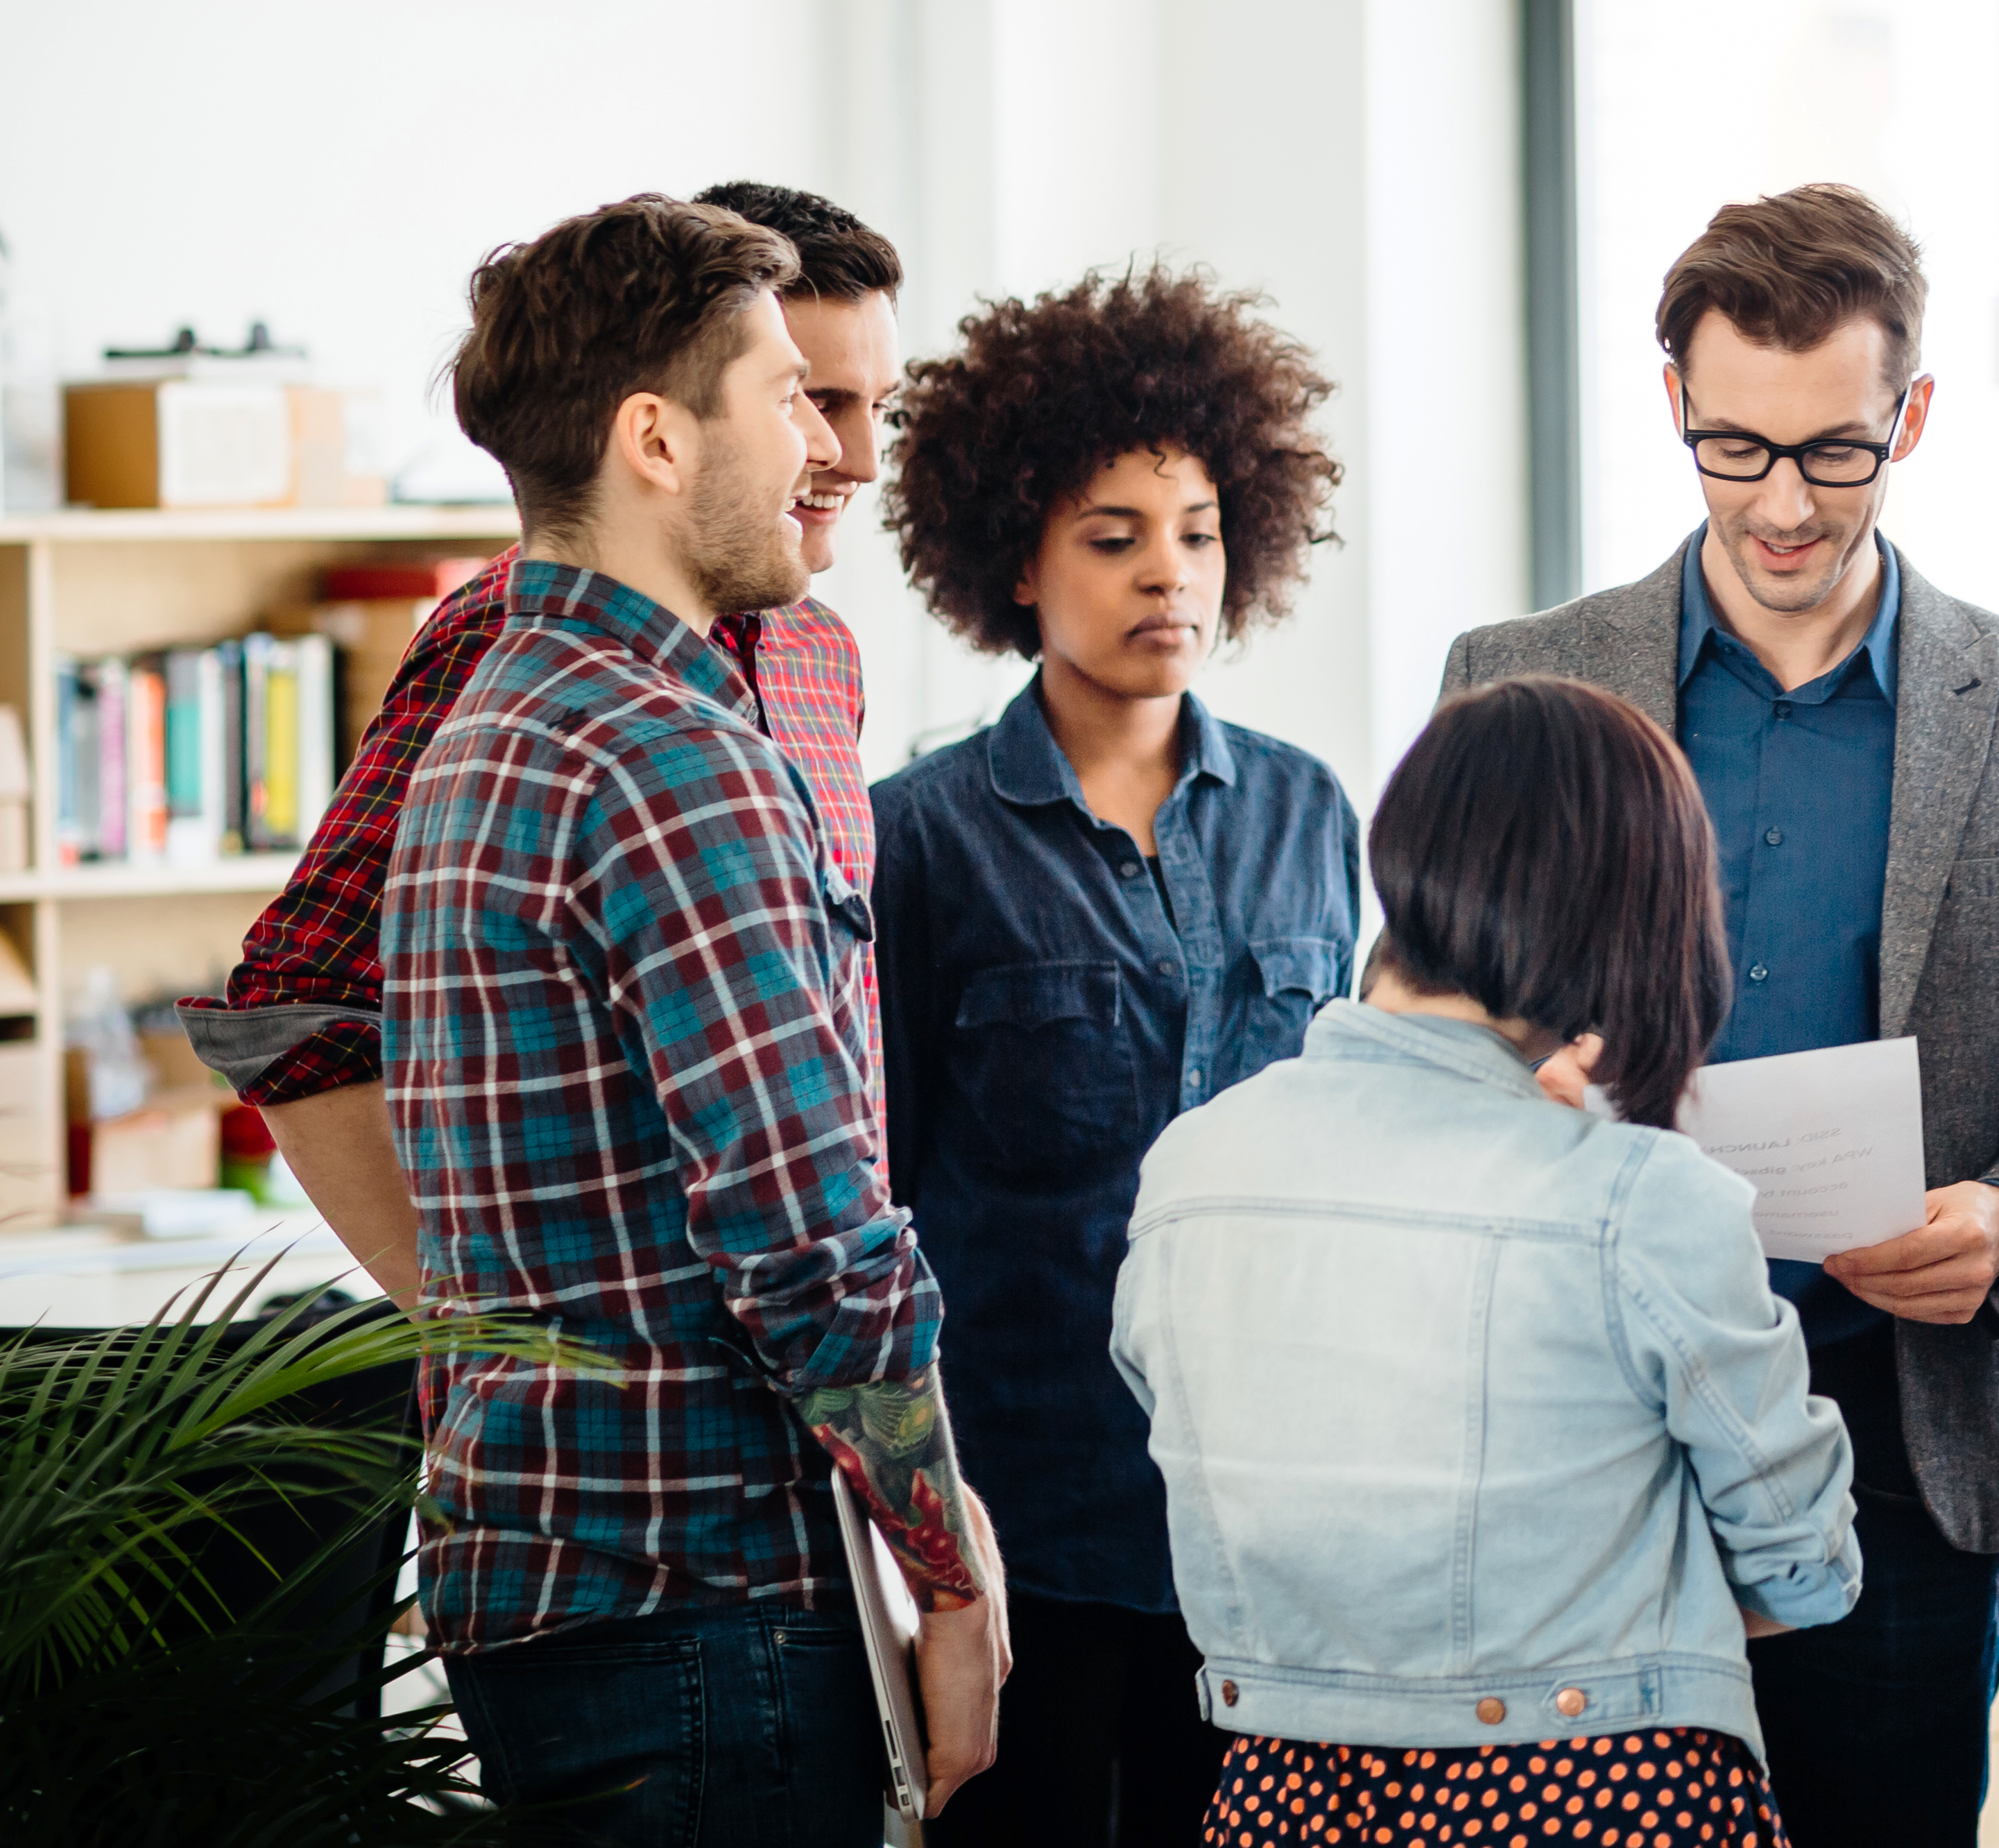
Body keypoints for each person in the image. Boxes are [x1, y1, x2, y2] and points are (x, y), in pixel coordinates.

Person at [1437, 183, 1999, 1845]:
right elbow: (1411, 1034)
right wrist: (1512, 1083)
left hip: (1893, 1468)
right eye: (1734, 447)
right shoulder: (1516, 680)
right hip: (1571, 1449)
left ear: (1910, 415)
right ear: (1674, 407)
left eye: (1835, 452)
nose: (1781, 503)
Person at [382, 196, 1002, 1842]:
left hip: (549, 1598)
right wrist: (947, 1567)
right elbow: (811, 1240)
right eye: (788, 393)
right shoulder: (671, 748)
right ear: (658, 437)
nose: (824, 443)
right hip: (704, 1604)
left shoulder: (496, 716)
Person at [1112, 674, 1862, 1848]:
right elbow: (1808, 1567)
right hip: (1602, 1794)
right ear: (1634, 903)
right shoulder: (1639, 1195)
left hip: (1280, 1798)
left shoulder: (1189, 1169)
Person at [181, 180, 907, 1307]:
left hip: (803, 1392)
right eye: (809, 397)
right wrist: (480, 1321)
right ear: (665, 417)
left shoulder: (822, 657)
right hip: (614, 1431)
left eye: (879, 409)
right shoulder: (511, 638)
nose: (850, 454)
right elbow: (297, 1005)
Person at [871, 266, 1364, 1846]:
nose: (1172, 573)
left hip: (1268, 1516)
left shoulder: (1310, 810)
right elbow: (878, 1187)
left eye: (1200, 530)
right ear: (1015, 559)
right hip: (1032, 1516)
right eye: (1115, 535)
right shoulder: (919, 841)